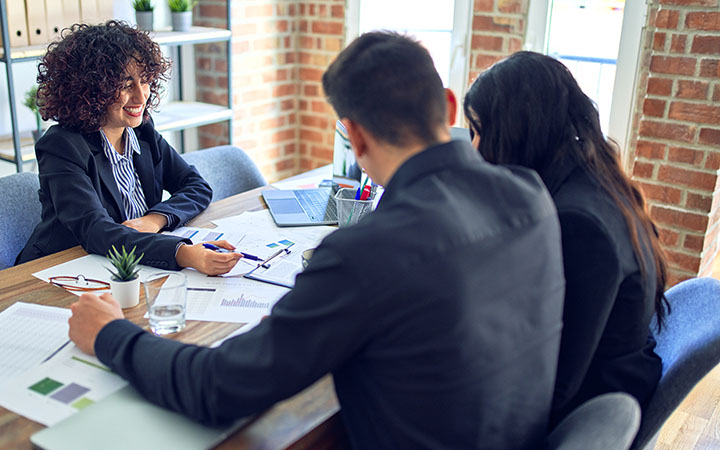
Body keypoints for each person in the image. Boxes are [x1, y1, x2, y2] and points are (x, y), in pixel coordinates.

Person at [68, 32, 566, 449]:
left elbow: (218, 389)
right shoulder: (531, 195)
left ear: (354, 135)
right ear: (450, 106)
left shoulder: (368, 251)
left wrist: (109, 334)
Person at [463, 51, 670, 426]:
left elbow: (551, 382)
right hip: (608, 387)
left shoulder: (577, 223)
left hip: (587, 418)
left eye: (479, 131)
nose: (474, 149)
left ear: (518, 130)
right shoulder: (591, 182)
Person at [16, 21, 241, 275]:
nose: (141, 96)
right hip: (61, 269)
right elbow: (96, 232)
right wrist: (182, 252)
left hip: (127, 266)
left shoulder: (141, 131)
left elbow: (196, 186)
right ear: (91, 90)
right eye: (125, 84)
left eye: (144, 80)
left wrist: (155, 220)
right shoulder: (62, 147)